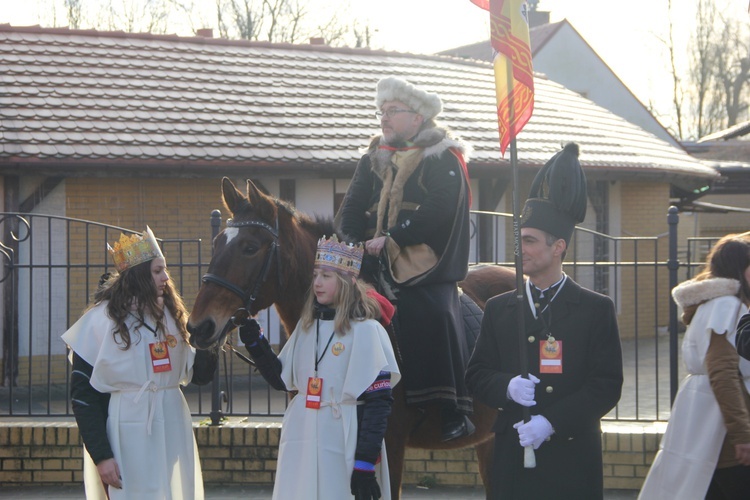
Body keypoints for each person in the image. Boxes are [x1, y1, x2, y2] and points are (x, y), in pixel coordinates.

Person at [465, 143, 624, 499]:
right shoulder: (500, 308)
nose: (520, 249)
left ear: (558, 247)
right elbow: (476, 375)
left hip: (571, 457)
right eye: (519, 239)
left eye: (530, 241)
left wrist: (551, 422)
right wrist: (506, 385)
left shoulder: (594, 309)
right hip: (512, 457)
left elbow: (606, 385)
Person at [337, 76, 474, 442]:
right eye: (381, 111)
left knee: (432, 309)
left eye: (392, 111)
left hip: (420, 257)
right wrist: (351, 242)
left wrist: (394, 238)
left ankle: (451, 408)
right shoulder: (373, 156)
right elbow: (351, 206)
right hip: (368, 255)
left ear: (417, 117)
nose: (384, 118)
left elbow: (440, 209)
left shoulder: (443, 156)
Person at [238, 235, 401, 500]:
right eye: (315, 275)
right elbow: (282, 380)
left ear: (346, 282)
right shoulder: (307, 328)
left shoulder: (367, 331)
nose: (316, 283)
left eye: (326, 276)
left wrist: (364, 465)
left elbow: (379, 403)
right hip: (302, 438)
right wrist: (255, 341)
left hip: (342, 439)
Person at [62, 227, 217, 499]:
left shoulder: (172, 316)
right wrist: (102, 456)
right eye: (158, 271)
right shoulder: (101, 321)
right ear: (138, 275)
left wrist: (209, 340)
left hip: (172, 425)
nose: (166, 278)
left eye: (165, 270)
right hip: (128, 429)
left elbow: (200, 375)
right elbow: (84, 396)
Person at [639, 233, 750, 500]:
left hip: (708, 421)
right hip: (721, 429)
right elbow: (722, 371)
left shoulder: (719, 304)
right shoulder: (727, 305)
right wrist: (742, 432)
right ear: (740, 269)